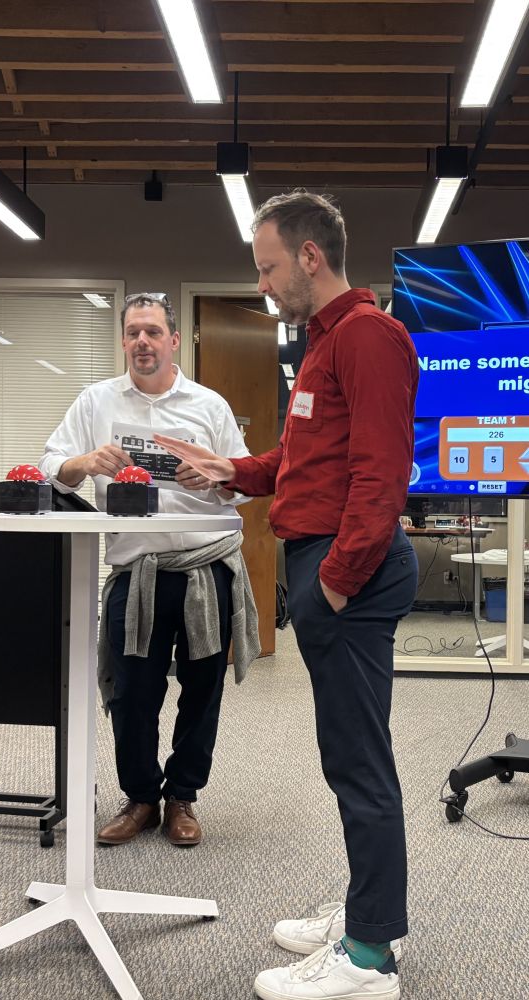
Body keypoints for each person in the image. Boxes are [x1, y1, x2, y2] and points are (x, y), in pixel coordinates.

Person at [156, 191, 419, 1000]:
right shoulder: (324, 343)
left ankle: (369, 957)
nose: (262, 284)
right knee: (348, 755)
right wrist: (229, 470)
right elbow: (301, 463)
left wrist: (332, 585)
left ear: (309, 256)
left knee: (357, 762)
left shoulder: (367, 335)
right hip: (326, 563)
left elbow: (380, 478)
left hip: (347, 572)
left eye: (268, 268)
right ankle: (367, 912)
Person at [39, 292, 260, 848]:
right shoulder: (95, 401)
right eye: (134, 332)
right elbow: (50, 466)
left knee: (202, 690)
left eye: (153, 331)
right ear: (123, 340)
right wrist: (85, 462)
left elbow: (245, 484)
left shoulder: (209, 405)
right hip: (134, 571)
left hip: (206, 569)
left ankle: (182, 796)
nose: (143, 341)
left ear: (174, 340)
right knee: (132, 693)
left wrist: (217, 478)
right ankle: (140, 797)